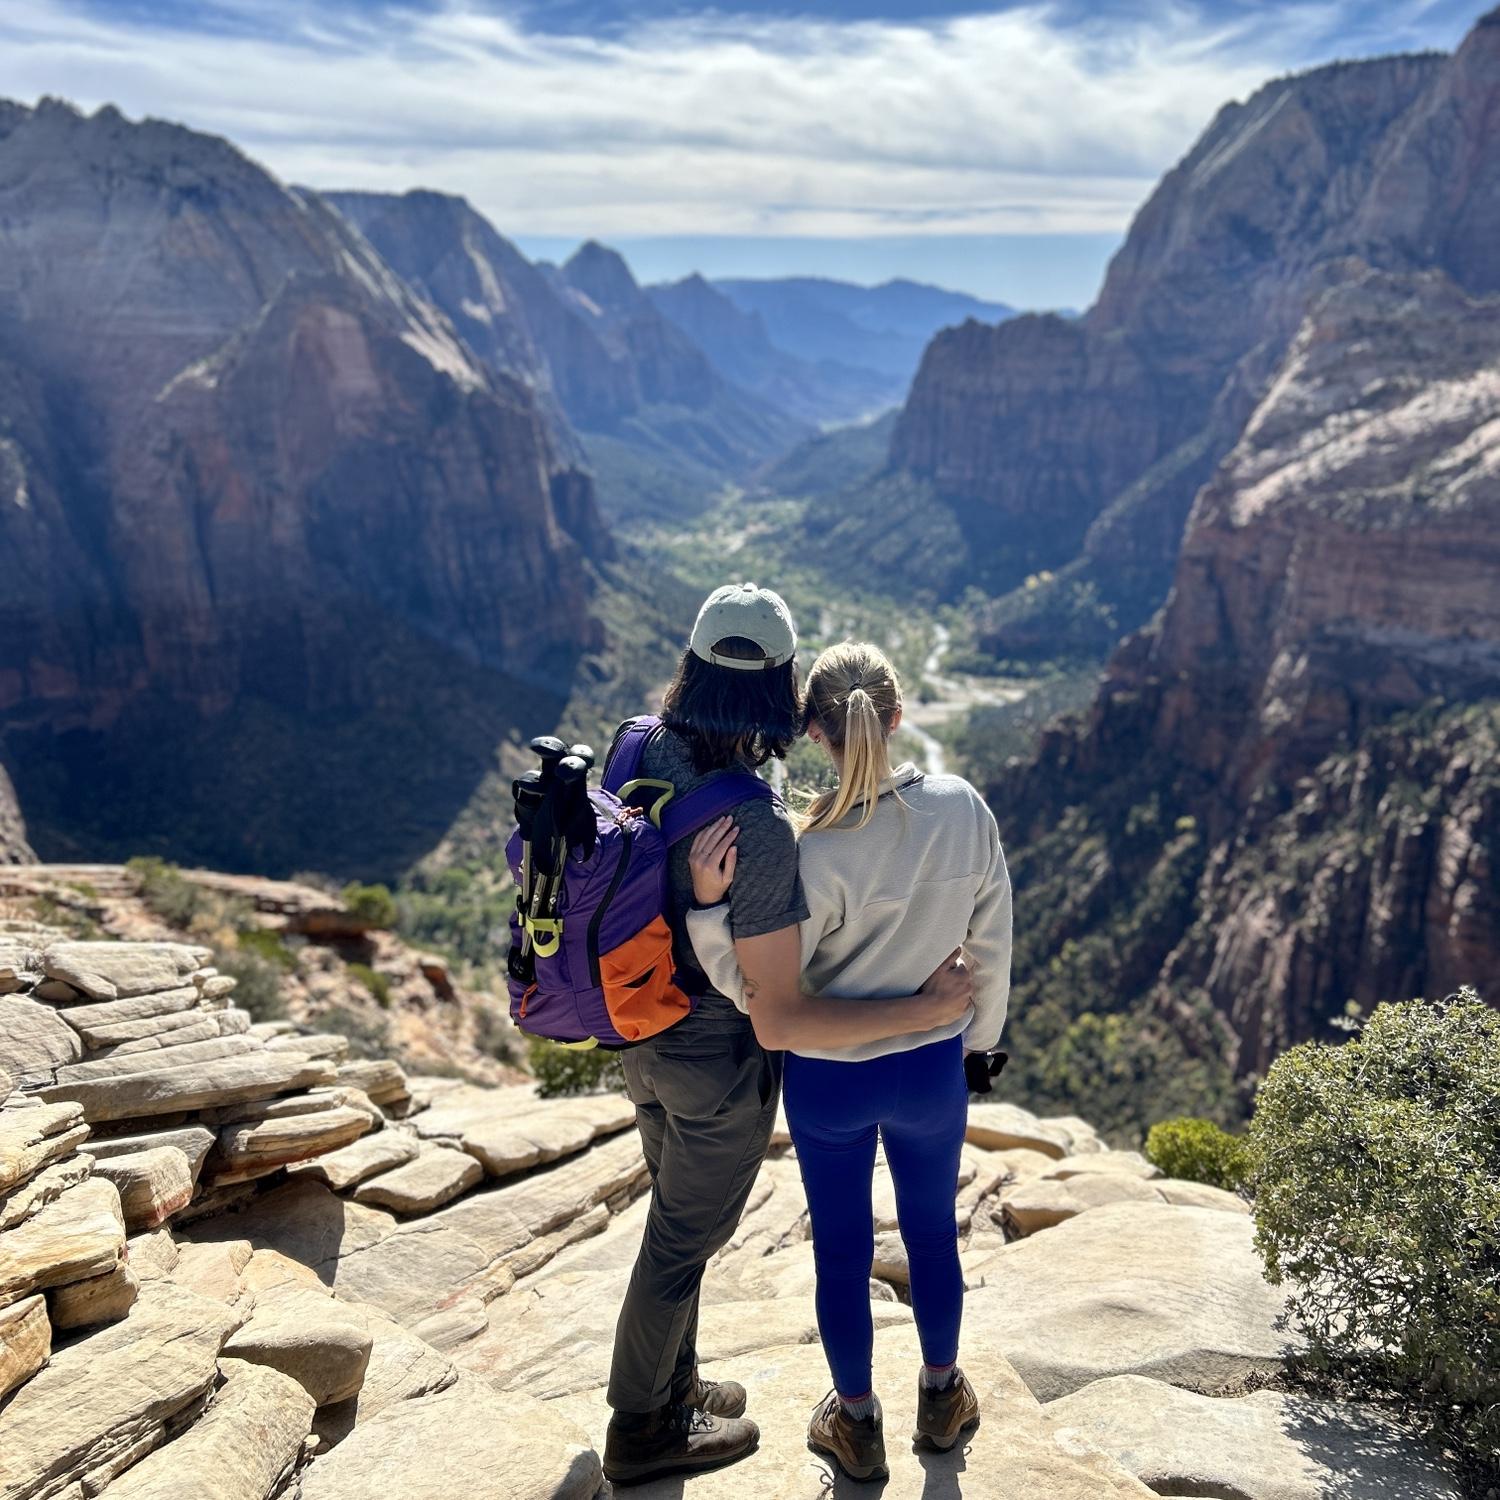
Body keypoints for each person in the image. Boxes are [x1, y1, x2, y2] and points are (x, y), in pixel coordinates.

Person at [602, 588, 976, 1489]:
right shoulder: (762, 830)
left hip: (637, 1031)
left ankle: (674, 1385)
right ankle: (642, 1428)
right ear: (781, 693)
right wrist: (935, 1015)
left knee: (680, 1215)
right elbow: (777, 1013)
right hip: (714, 1057)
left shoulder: (636, 742)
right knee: (682, 1238)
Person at [685, 639, 1012, 1483]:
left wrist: (709, 917)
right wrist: (978, 1044)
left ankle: (855, 1425)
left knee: (841, 1249)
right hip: (932, 1067)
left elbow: (762, 996)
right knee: (933, 1232)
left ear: (813, 733)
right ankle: (942, 1400)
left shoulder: (806, 849)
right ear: (896, 719)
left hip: (830, 1082)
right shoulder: (964, 809)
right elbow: (992, 946)